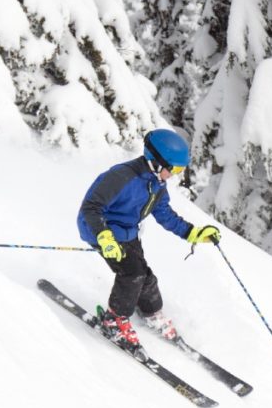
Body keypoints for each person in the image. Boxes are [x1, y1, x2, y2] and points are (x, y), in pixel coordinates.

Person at [76, 129, 221, 350]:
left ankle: (151, 313)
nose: (175, 175)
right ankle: (113, 320)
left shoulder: (157, 185)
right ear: (157, 162)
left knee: (145, 276)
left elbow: (165, 214)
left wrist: (193, 233)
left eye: (180, 170)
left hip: (127, 233)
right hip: (100, 228)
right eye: (174, 169)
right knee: (132, 273)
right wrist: (104, 236)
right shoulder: (122, 177)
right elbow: (91, 207)